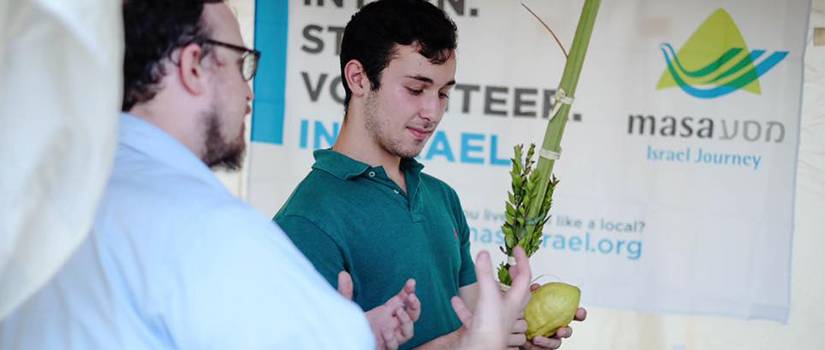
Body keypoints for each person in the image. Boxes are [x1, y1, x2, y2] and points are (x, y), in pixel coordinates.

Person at [0, 1, 381, 348]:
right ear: (193, 65)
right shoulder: (207, 225)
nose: (249, 93)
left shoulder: (43, 197)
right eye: (242, 64)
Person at [274, 0, 586, 349]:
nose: (433, 112)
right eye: (415, 89)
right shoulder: (306, 221)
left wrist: (518, 320)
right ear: (358, 78)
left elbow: (470, 310)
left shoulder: (442, 197)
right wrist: (461, 343)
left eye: (443, 93)